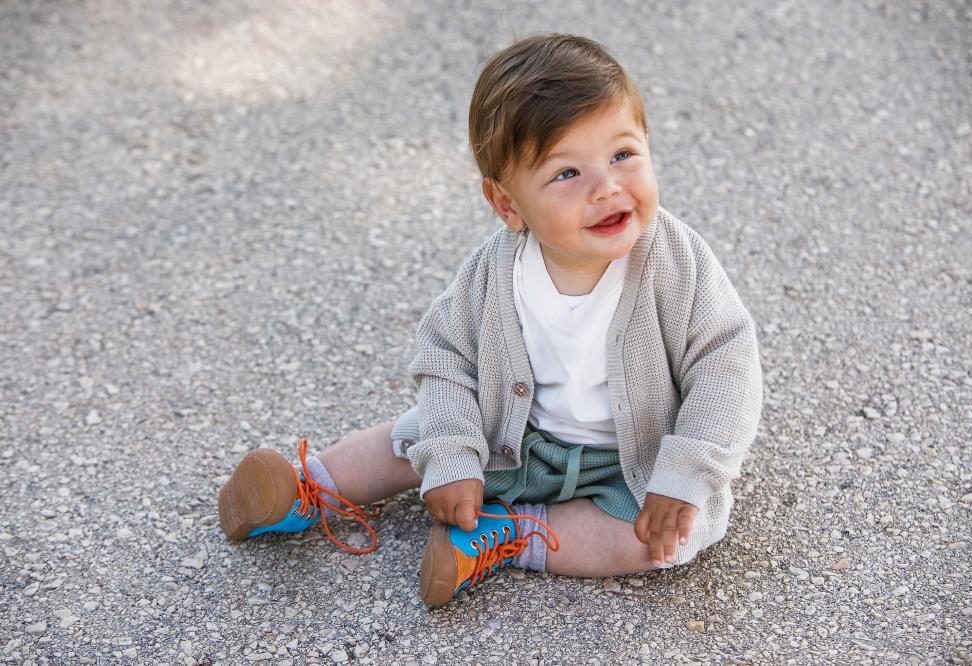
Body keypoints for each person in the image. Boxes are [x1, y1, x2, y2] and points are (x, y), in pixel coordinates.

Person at [218, 32, 763, 608]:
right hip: (512, 433)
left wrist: (686, 473)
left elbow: (726, 364)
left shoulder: (676, 262)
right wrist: (452, 456)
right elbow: (445, 360)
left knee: (662, 541)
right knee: (412, 436)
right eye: (567, 174)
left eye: (623, 155)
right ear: (507, 204)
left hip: (632, 458)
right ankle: (312, 486)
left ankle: (506, 537)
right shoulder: (492, 274)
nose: (607, 187)